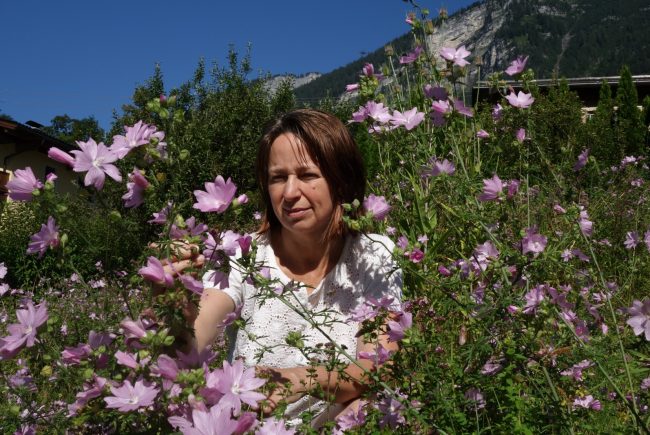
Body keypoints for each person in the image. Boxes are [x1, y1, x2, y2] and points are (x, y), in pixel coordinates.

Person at [172, 108, 402, 428]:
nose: (290, 193)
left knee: (374, 403)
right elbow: (194, 343)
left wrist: (301, 379)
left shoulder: (373, 254)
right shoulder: (240, 256)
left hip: (342, 428)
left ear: (341, 180)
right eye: (278, 178)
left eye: (307, 175)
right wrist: (173, 308)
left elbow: (378, 366)